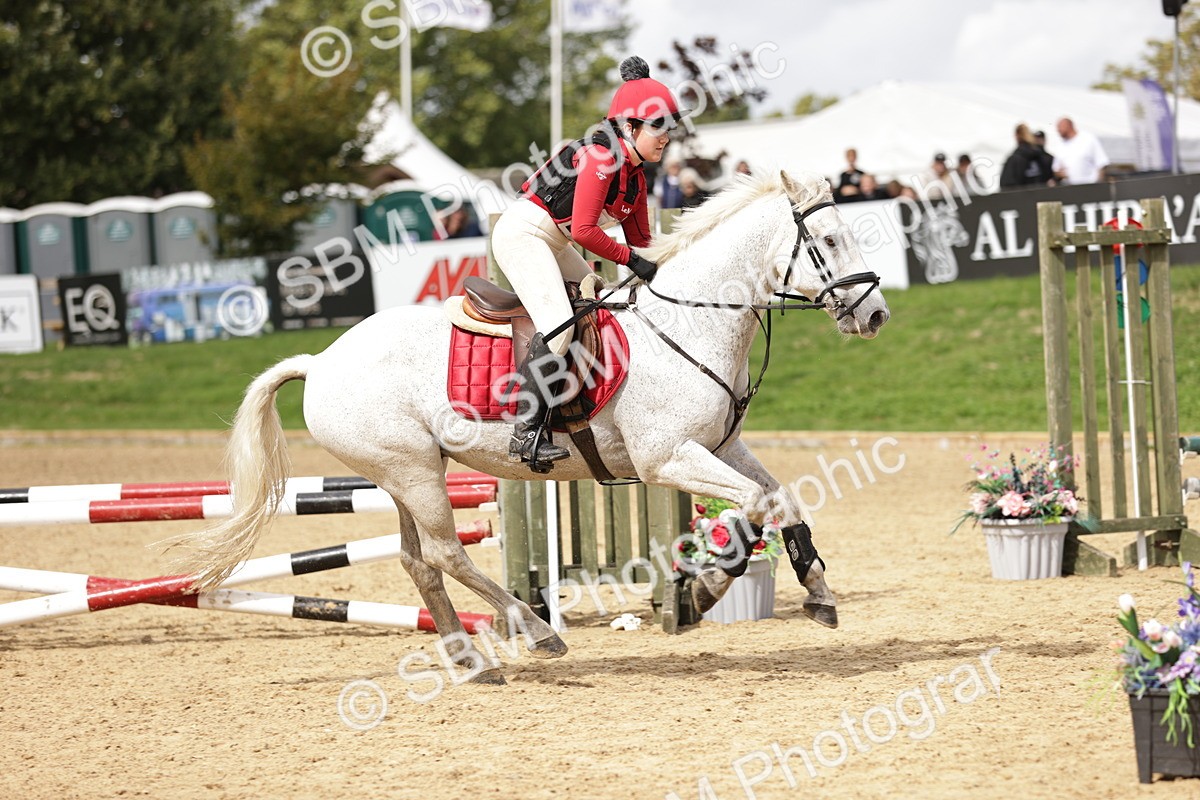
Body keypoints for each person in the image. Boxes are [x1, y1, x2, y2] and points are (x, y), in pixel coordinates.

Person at [491, 55, 685, 470]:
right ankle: (525, 432)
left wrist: (664, 269)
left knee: (602, 299)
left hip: (555, 244)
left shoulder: (634, 177)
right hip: (523, 235)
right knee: (559, 326)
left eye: (670, 129)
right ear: (630, 127)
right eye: (659, 128)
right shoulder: (600, 158)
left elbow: (642, 244)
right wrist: (633, 259)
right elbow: (584, 232)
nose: (667, 137)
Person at [1052, 117, 1109, 185]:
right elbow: (1056, 169)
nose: (1058, 130)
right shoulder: (1060, 146)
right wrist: (1059, 174)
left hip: (1089, 187)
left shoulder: (1088, 139)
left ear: (1069, 125)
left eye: (1060, 127)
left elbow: (1102, 163)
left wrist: (1099, 185)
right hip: (1069, 188)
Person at [999, 124, 1052, 189]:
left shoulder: (1014, 159)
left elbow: (1006, 186)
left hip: (1021, 198)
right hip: (1042, 197)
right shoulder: (1043, 158)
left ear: (1016, 136)